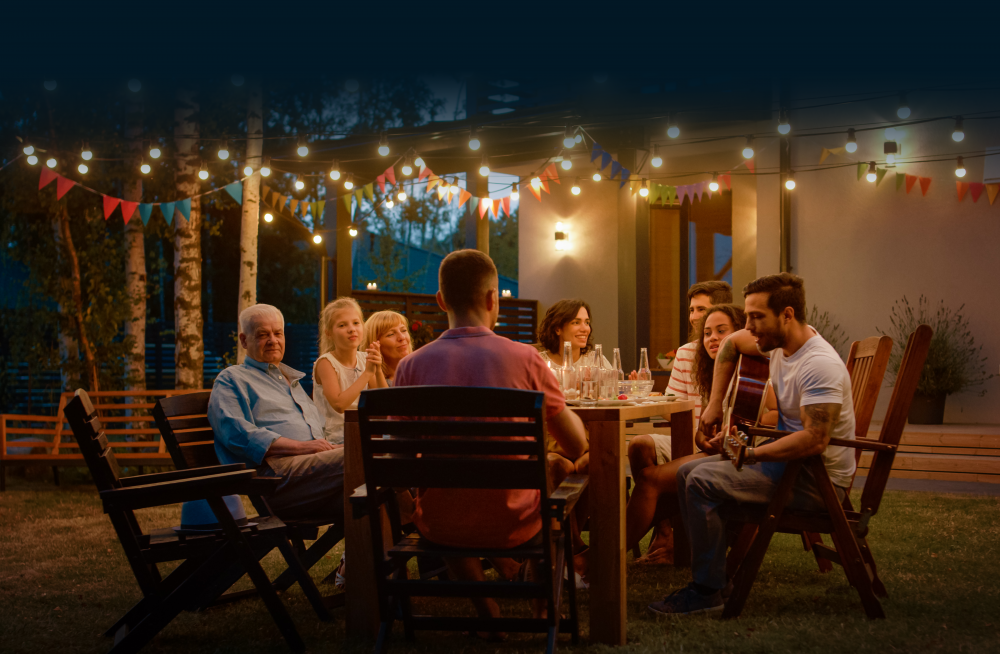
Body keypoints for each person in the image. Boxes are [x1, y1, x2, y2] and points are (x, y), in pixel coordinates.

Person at [395, 249, 588, 630]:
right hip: (516, 520)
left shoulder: (410, 366)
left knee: (448, 497)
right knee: (558, 477)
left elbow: (401, 455)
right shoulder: (526, 359)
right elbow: (576, 445)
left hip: (439, 525)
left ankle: (487, 609)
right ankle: (542, 605)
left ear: (440, 301)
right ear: (492, 299)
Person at [648, 273, 857, 616]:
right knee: (686, 472)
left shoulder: (819, 364)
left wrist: (752, 453)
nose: (749, 326)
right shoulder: (775, 343)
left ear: (787, 315)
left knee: (700, 482)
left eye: (756, 317)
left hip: (813, 482)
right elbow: (730, 345)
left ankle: (706, 590)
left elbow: (815, 439)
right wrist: (715, 404)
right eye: (747, 316)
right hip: (786, 467)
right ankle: (716, 580)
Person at [623, 304, 776, 562]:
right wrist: (708, 439)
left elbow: (776, 416)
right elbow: (701, 436)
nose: (712, 337)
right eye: (707, 333)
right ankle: (665, 544)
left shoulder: (754, 370)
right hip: (725, 454)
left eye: (721, 331)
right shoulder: (715, 374)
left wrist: (743, 416)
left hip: (752, 459)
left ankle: (604, 558)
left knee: (650, 481)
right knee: (654, 480)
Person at [207, 304, 344, 523]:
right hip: (273, 483)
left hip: (313, 478)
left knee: (377, 483)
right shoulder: (232, 379)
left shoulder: (290, 381)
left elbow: (318, 439)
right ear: (244, 340)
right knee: (362, 457)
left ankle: (402, 545)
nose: (273, 340)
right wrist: (302, 447)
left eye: (278, 333)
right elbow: (236, 433)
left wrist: (332, 446)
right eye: (263, 335)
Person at [627, 280, 732, 563]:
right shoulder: (686, 353)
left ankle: (604, 556)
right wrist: (649, 397)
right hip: (688, 438)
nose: (694, 316)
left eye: (702, 309)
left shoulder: (741, 355)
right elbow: (674, 409)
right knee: (639, 445)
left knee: (655, 476)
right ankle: (665, 532)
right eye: (691, 310)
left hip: (716, 445)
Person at [313, 297, 386, 444]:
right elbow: (339, 405)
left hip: (364, 432)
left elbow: (384, 402)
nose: (351, 329)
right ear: (329, 333)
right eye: (342, 325)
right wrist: (367, 373)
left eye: (356, 323)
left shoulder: (365, 358)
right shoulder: (326, 363)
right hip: (335, 438)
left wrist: (377, 369)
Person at [361, 310, 412, 386]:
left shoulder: (420, 372)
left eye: (404, 330)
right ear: (373, 344)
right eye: (390, 334)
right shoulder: (368, 383)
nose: (402, 337)